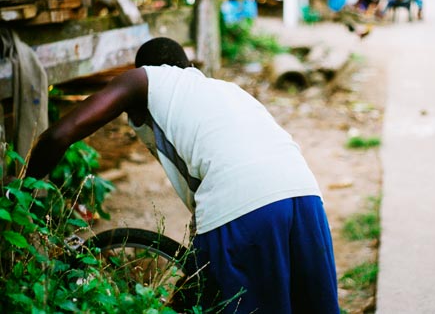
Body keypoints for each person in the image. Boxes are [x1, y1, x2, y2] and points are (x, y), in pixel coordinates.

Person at [25, 37, 340, 314]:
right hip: (304, 194)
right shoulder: (222, 91)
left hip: (243, 203)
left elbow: (58, 136)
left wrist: (24, 197)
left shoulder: (142, 79)